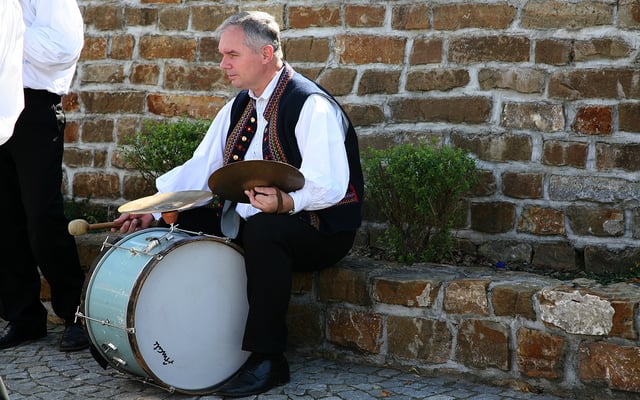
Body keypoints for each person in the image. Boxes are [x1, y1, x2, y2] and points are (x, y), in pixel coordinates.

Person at [113, 10, 364, 398]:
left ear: (265, 54)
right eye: (222, 54)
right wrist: (157, 209)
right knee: (183, 222)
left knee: (265, 230)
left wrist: (287, 201)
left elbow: (331, 184)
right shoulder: (238, 106)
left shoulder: (309, 104)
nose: (223, 64)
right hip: (258, 220)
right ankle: (159, 335)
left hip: (322, 229)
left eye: (232, 54)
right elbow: (203, 166)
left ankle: (269, 358)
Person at [0, 0, 89, 352]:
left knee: (42, 217)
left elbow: (64, 48)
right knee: (4, 219)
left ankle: (76, 314)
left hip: (34, 108)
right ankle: (24, 317)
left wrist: (10, 29)